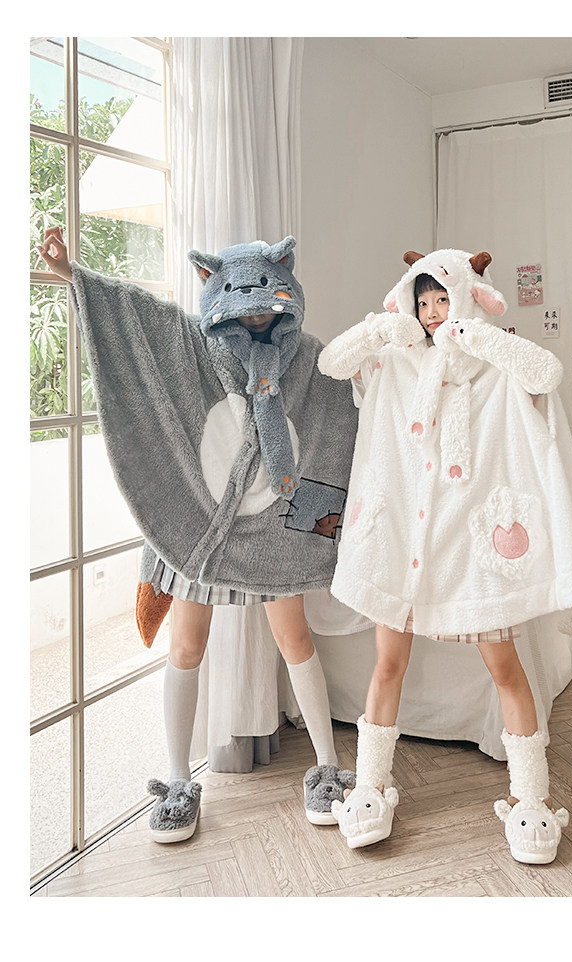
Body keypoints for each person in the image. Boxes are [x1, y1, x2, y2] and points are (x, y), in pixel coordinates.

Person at [38, 227, 361, 842]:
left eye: (267, 301)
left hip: (273, 525)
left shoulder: (305, 358)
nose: (256, 313)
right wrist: (73, 274)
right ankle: (177, 779)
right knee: (186, 646)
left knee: (295, 638)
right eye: (242, 303)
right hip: (204, 523)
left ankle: (327, 765)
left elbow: (337, 411)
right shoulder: (193, 345)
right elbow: (137, 319)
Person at [317, 246, 572, 864]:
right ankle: (370, 785)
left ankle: (530, 797)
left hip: (471, 549)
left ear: (466, 298)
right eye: (422, 301)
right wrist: (382, 328)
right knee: (387, 665)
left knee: (506, 670)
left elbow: (546, 374)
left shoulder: (492, 363)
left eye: (442, 299)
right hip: (405, 547)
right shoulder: (396, 362)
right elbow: (331, 362)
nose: (431, 312)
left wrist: (477, 336)